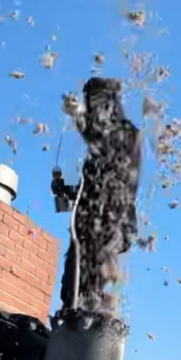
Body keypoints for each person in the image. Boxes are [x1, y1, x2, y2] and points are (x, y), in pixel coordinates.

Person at [57, 77, 141, 313]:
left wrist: (79, 117)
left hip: (111, 225)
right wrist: (65, 192)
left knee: (89, 288)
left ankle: (93, 340)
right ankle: (69, 336)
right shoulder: (97, 153)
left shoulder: (127, 134)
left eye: (95, 102)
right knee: (71, 290)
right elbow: (91, 189)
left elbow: (103, 137)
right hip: (86, 226)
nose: (92, 108)